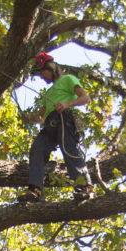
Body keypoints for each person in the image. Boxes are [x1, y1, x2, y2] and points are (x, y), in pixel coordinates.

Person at [18, 52, 94, 203]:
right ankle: (35, 191)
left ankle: (84, 188)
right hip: (49, 124)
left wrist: (66, 104)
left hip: (64, 118)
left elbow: (86, 98)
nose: (42, 76)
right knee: (37, 149)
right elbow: (40, 117)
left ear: (51, 68)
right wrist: (28, 118)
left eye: (42, 72)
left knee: (68, 149)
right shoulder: (48, 92)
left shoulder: (68, 79)